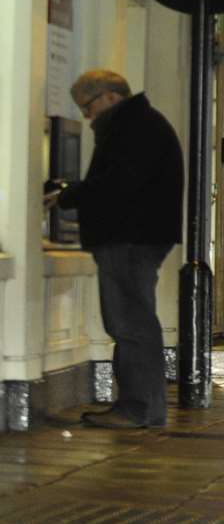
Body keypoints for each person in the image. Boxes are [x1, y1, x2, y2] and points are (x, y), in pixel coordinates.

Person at [42, 70, 182, 428]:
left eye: (87, 108)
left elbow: (118, 183)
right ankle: (141, 407)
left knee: (129, 323)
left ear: (109, 97)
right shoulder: (140, 123)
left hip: (129, 238)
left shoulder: (132, 128)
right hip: (137, 235)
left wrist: (69, 195)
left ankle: (138, 408)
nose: (87, 117)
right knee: (132, 321)